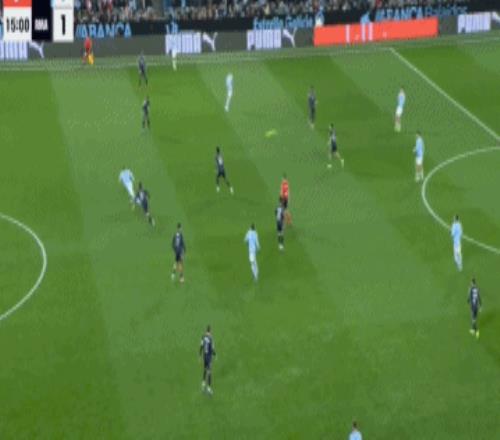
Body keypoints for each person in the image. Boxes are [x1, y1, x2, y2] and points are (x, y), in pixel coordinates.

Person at [200, 325, 216, 395]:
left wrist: (199, 354)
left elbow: (201, 346)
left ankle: (203, 384)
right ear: (210, 330)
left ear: (206, 330)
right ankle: (209, 389)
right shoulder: (211, 338)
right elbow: (212, 349)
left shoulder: (203, 336)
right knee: (209, 372)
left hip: (204, 356)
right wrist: (215, 354)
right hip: (209, 357)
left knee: (205, 369)